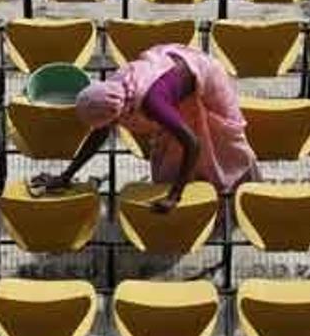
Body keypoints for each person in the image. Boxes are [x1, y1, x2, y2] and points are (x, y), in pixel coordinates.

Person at [32, 44, 259, 213]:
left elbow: (192, 143)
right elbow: (98, 135)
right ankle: (194, 207)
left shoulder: (153, 103)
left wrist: (174, 196)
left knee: (223, 140)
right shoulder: (113, 91)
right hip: (169, 78)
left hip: (204, 73)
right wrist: (66, 176)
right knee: (171, 150)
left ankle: (238, 198)